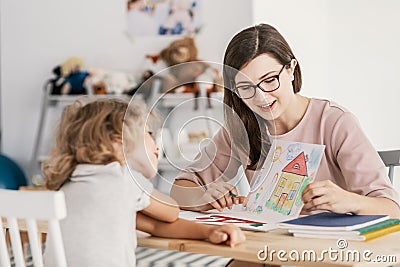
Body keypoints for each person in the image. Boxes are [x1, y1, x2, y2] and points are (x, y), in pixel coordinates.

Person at [170, 23, 400, 219]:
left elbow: (392, 209)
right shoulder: (241, 128)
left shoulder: (334, 122)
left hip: (331, 250)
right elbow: (179, 190)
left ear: (291, 69)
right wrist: (201, 197)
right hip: (271, 248)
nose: (261, 97)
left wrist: (349, 201)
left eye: (270, 80)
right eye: (246, 88)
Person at [42, 98, 245, 267]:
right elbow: (171, 212)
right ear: (118, 141)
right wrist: (200, 203)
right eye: (148, 134)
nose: (156, 144)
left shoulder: (69, 181)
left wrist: (209, 232)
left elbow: (152, 225)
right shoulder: (123, 178)